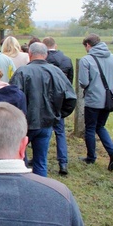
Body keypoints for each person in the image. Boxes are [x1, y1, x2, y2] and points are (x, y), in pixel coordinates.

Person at [10, 42, 77, 177]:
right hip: (46, 122)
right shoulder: (56, 72)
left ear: (30, 54)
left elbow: (12, 99)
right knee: (41, 161)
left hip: (26, 122)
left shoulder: (22, 72)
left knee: (20, 158)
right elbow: (70, 98)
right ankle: (40, 189)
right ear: (46, 55)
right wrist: (57, 115)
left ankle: (22, 186)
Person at [78, 33, 113, 171]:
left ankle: (91, 157)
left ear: (88, 45)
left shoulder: (86, 60)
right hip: (109, 99)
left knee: (90, 127)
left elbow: (84, 82)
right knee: (100, 126)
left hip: (94, 99)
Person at [43, 36, 74, 175]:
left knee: (45, 132)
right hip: (61, 100)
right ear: (55, 45)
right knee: (60, 132)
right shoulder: (66, 60)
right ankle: (63, 162)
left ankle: (41, 157)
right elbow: (70, 82)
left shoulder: (45, 61)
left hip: (47, 100)